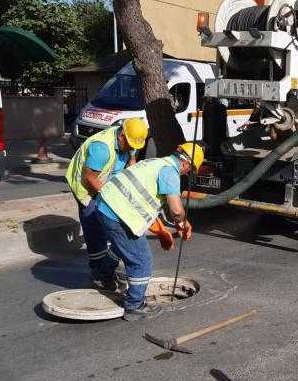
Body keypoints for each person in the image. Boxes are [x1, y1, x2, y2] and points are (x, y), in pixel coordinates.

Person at [96, 143, 204, 321]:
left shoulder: (156, 162)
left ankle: (103, 276)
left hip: (104, 204)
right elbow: (176, 210)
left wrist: (161, 230)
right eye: (190, 170)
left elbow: (146, 203)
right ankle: (134, 305)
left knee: (121, 245)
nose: (187, 173)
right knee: (141, 260)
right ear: (186, 164)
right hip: (118, 213)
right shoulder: (170, 172)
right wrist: (182, 221)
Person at [65, 118, 148, 291]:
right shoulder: (101, 148)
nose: (133, 147)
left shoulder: (128, 141)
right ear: (122, 136)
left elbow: (130, 162)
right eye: (130, 143)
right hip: (86, 187)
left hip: (105, 180)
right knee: (94, 225)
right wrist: (110, 199)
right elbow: (89, 178)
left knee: (107, 223)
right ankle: (98, 271)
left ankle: (106, 266)